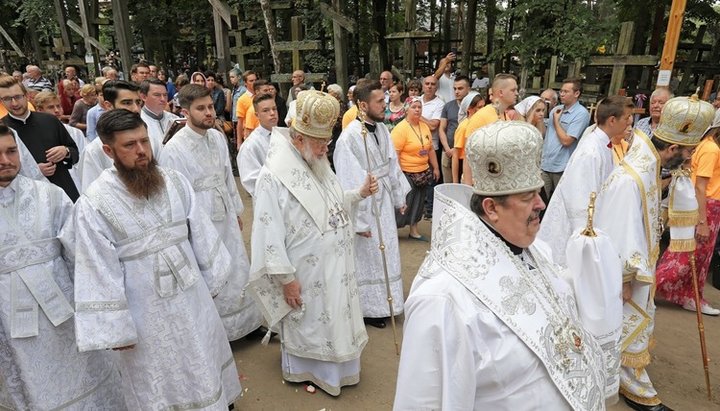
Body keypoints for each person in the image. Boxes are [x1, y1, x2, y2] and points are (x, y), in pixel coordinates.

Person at [394, 121, 606, 410]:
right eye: (527, 197)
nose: (541, 204)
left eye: (538, 193)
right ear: (491, 208)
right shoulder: (442, 299)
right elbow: (424, 400)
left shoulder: (534, 249)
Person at [68, 109, 242, 408]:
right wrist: (116, 327)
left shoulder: (174, 181)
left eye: (144, 142)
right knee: (159, 373)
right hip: (144, 312)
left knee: (202, 352)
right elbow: (98, 268)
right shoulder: (94, 203)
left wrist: (212, 280)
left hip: (191, 295)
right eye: (129, 145)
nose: (141, 152)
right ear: (108, 150)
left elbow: (199, 231)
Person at [247, 90, 377, 396]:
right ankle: (308, 370)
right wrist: (286, 280)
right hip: (303, 271)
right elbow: (267, 233)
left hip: (336, 267)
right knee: (311, 321)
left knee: (335, 316)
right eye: (319, 143)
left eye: (326, 142)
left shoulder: (317, 160)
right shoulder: (273, 176)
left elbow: (330, 205)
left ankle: (340, 369)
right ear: (298, 138)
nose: (324, 149)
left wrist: (358, 194)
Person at [594, 95, 715, 411]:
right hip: (627, 270)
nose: (689, 159)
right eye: (687, 152)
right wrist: (624, 278)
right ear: (672, 148)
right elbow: (620, 228)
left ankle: (626, 376)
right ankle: (636, 389)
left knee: (630, 326)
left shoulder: (647, 164)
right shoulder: (630, 177)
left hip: (638, 263)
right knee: (624, 324)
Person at [0, 125, 125, 410]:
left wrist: (93, 306)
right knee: (35, 380)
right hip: (9, 317)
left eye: (11, 151)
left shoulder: (49, 195)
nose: (6, 160)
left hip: (66, 303)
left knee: (87, 371)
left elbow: (79, 253)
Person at [159, 84, 263, 340]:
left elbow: (228, 176)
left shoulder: (217, 137)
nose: (209, 113)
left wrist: (237, 209)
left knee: (237, 263)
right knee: (212, 269)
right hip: (200, 218)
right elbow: (176, 195)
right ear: (185, 112)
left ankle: (247, 324)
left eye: (210, 107)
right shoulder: (174, 149)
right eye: (201, 108)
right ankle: (222, 333)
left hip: (225, 211)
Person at [334, 81, 410, 328]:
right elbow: (348, 180)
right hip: (367, 205)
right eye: (379, 101)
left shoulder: (383, 129)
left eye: (385, 100)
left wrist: (399, 197)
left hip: (385, 199)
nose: (384, 105)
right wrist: (359, 221)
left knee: (387, 252)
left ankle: (390, 303)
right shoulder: (349, 137)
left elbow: (392, 164)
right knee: (368, 256)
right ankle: (369, 309)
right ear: (363, 105)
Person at [538, 95, 634, 268]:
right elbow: (580, 199)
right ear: (612, 120)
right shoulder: (590, 152)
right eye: (626, 118)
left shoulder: (602, 144)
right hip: (576, 228)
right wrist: (586, 242)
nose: (630, 122)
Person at [656, 109, 720, 316]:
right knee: (688, 258)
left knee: (693, 256)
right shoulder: (711, 149)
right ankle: (651, 287)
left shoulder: (707, 146)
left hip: (705, 204)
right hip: (706, 206)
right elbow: (701, 186)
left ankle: (690, 295)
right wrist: (702, 221)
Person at [0, 75, 80, 201]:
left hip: (64, 190)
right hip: (28, 199)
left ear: (26, 96)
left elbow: (75, 152)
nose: (14, 103)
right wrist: (33, 171)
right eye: (7, 99)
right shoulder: (2, 129)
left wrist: (65, 151)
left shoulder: (50, 120)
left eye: (18, 97)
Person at [77, 80, 143, 193]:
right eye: (127, 103)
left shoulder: (149, 140)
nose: (136, 109)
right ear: (108, 106)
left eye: (138, 102)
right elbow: (92, 195)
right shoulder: (94, 151)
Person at [391, 97, 439, 240]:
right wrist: (398, 175)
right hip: (406, 171)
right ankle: (392, 230)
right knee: (405, 202)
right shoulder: (400, 129)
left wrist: (435, 167)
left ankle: (414, 230)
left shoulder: (424, 126)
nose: (417, 109)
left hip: (423, 171)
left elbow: (430, 149)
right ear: (407, 109)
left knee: (418, 202)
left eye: (419, 107)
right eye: (414, 107)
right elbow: (396, 154)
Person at [541, 78, 591, 200]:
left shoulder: (581, 113)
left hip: (562, 167)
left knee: (559, 203)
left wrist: (556, 121)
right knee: (540, 201)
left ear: (576, 93)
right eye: (561, 91)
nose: (561, 94)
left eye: (565, 91)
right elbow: (546, 134)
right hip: (545, 164)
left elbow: (567, 141)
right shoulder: (556, 109)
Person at [33, 90, 87, 188]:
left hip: (76, 182)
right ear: (39, 110)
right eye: (51, 107)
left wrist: (68, 152)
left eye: (58, 106)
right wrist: (36, 170)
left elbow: (84, 160)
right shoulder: (33, 133)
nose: (57, 110)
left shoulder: (75, 132)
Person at [237, 93, 278, 196]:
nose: (272, 113)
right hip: (270, 200)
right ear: (257, 115)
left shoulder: (284, 135)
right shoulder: (250, 145)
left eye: (274, 109)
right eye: (266, 110)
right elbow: (252, 182)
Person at [439, 75, 470, 183]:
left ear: (468, 89)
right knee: (448, 183)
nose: (457, 91)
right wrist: (447, 148)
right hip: (448, 151)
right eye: (455, 88)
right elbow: (442, 129)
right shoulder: (448, 106)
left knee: (464, 183)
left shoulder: (473, 107)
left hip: (465, 152)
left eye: (460, 88)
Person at [452, 92, 485, 183]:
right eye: (479, 107)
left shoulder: (483, 123)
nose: (482, 110)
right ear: (469, 109)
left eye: (483, 107)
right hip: (466, 166)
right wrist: (455, 182)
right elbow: (455, 155)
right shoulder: (463, 126)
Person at [139, 78, 179, 149]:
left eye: (165, 95)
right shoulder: (138, 122)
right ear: (143, 97)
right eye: (157, 95)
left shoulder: (174, 119)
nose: (163, 99)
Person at [235, 70, 258, 146]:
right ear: (245, 83)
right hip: (250, 135)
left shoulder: (261, 96)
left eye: (255, 80)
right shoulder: (242, 100)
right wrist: (239, 143)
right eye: (251, 81)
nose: (254, 82)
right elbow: (240, 122)